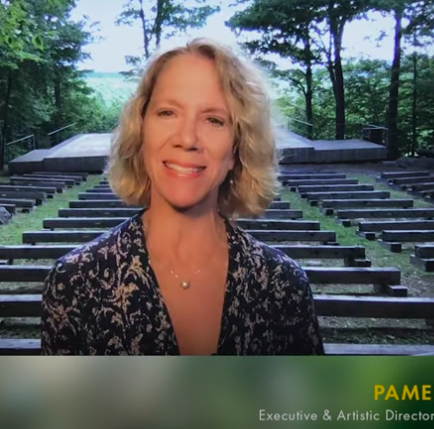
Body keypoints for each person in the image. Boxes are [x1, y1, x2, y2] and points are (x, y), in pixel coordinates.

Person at [41, 38, 322, 355]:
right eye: (167, 112)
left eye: (214, 119)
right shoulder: (75, 281)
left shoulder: (284, 285)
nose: (187, 138)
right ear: (141, 130)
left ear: (236, 151)